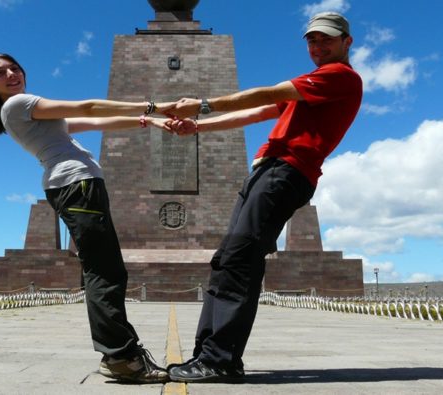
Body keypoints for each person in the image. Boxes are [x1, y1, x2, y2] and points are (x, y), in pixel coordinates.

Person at [163, 12, 363, 382]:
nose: (318, 47)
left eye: (327, 40)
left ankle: (220, 358)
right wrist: (197, 127)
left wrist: (203, 104)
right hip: (267, 172)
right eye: (312, 41)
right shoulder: (313, 87)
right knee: (227, 259)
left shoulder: (339, 77)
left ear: (346, 42)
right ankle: (211, 355)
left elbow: (268, 93)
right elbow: (257, 112)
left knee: (240, 259)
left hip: (286, 171)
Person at [0, 53, 174, 384]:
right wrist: (153, 106)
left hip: (76, 185)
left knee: (107, 268)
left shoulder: (31, 115)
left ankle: (120, 353)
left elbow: (96, 122)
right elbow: (88, 107)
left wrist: (147, 121)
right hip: (76, 185)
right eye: (1, 73)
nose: (12, 73)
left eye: (15, 67)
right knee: (104, 270)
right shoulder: (19, 104)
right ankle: (120, 357)